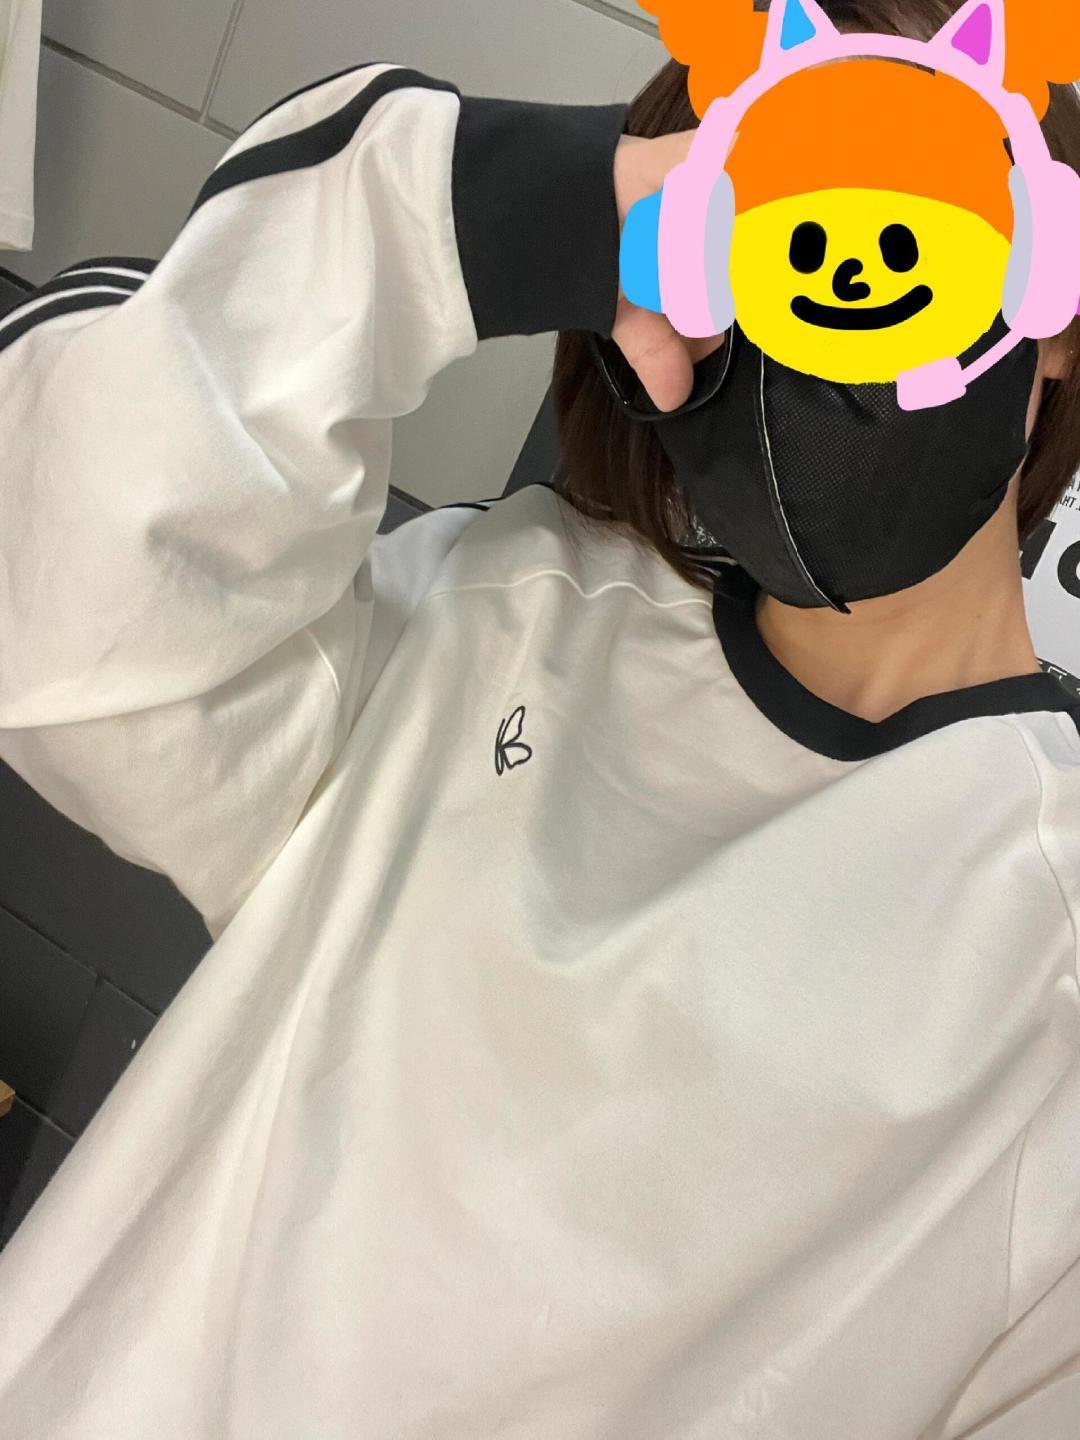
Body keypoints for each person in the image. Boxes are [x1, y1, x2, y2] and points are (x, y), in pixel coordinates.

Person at [0, 0, 1078, 1434]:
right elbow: (62, 589)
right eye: (756, 228)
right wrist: (513, 211)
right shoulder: (495, 614)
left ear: (1052, 302)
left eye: (911, 210)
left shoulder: (1049, 976)